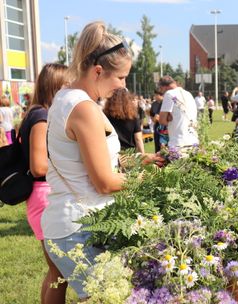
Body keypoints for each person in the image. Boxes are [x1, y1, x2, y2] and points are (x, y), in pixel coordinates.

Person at [42, 21, 160, 301]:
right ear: (98, 71)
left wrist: (136, 161)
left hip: (72, 222)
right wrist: (146, 179)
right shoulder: (82, 108)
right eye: (121, 78)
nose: (123, 86)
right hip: (78, 227)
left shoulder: (68, 97)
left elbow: (90, 161)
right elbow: (104, 182)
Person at [19, 63, 69, 304]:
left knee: (55, 272)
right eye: (67, 84)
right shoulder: (41, 117)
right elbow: (39, 166)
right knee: (60, 273)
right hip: (44, 196)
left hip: (42, 195)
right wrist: (73, 167)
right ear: (56, 87)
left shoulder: (36, 113)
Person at [158, 76, 199, 150]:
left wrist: (168, 118)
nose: (162, 93)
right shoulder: (189, 94)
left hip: (178, 142)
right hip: (193, 140)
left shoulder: (169, 94)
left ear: (164, 87)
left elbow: (162, 120)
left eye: (161, 90)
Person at [103, 88, 144, 153]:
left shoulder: (105, 115)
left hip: (112, 153)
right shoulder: (133, 116)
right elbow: (138, 139)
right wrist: (142, 155)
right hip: (130, 154)